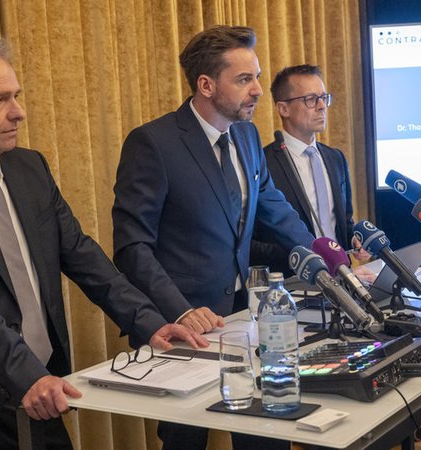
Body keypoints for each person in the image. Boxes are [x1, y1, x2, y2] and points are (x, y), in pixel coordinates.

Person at [0, 36, 207, 450]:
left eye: (16, 96)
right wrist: (27, 375)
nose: (18, 112)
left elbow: (84, 257)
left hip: (39, 391)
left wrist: (153, 323)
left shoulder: (29, 167)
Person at [112, 26, 311, 449]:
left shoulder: (246, 135)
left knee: (266, 433)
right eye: (244, 80)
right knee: (186, 442)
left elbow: (273, 207)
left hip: (246, 319)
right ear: (206, 85)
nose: (258, 89)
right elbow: (132, 248)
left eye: (256, 76)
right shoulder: (153, 143)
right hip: (185, 330)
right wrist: (180, 312)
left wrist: (329, 259)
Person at [251, 65, 370, 275]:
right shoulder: (263, 163)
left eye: (324, 97)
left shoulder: (335, 158)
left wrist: (354, 238)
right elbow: (254, 241)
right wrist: (305, 256)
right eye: (311, 99)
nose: (322, 106)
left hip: (344, 277)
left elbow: (343, 221)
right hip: (294, 281)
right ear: (283, 109)